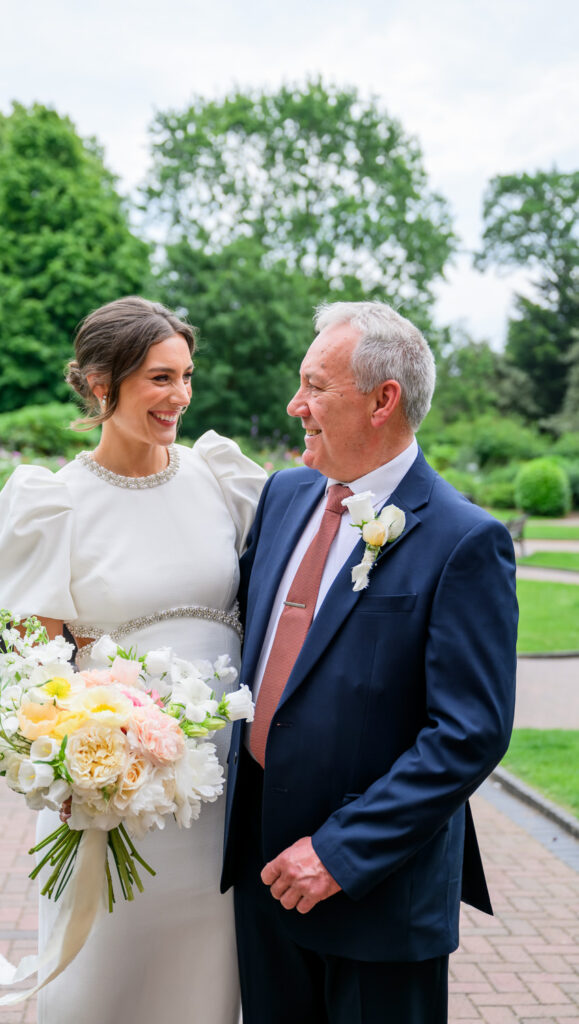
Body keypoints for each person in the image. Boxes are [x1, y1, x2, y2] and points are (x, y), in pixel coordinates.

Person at [222, 301, 518, 1024]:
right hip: (262, 877)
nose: (296, 405)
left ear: (383, 399)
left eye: (315, 387)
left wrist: (337, 853)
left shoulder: (463, 539)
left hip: (375, 894)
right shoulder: (284, 495)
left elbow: (467, 733)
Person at [0, 296, 266, 1024]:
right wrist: (74, 762)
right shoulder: (53, 503)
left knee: (208, 984)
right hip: (113, 796)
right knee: (105, 983)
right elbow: (30, 674)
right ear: (102, 383)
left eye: (186, 376)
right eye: (159, 380)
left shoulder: (220, 480)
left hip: (224, 794)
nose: (180, 397)